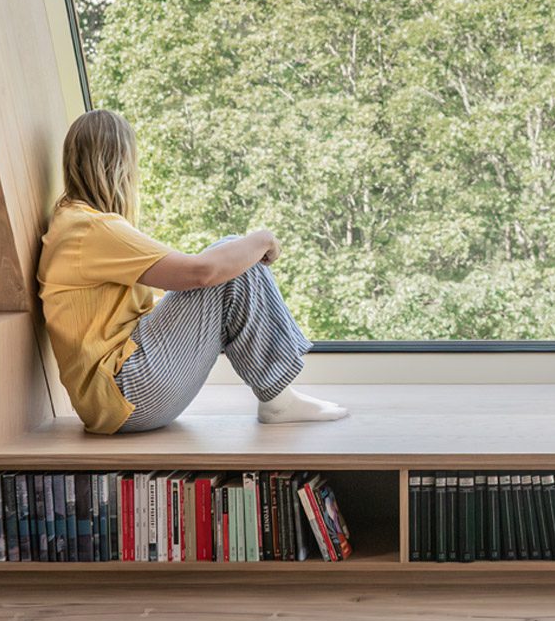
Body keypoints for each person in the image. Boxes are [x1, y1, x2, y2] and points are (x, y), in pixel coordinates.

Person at [37, 108, 348, 434]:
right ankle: (279, 399)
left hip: (113, 399)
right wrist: (263, 239)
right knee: (232, 260)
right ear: (119, 165)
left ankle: (279, 395)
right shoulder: (90, 229)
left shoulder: (73, 223)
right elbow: (202, 273)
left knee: (230, 253)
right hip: (126, 392)